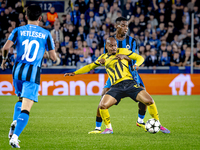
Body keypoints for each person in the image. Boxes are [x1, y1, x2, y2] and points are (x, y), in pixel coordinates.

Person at [64, 37, 169, 134]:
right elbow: (90, 66)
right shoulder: (103, 58)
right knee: (102, 105)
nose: (114, 47)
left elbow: (139, 57)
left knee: (149, 101)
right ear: (106, 46)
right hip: (116, 87)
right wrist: (75, 73)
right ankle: (109, 128)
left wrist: (136, 64)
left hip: (130, 83)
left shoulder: (123, 51)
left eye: (115, 45)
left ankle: (158, 124)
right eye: (111, 46)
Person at [1, 5, 57, 148]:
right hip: (32, 73)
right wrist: (52, 57)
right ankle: (15, 137)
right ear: (40, 18)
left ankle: (14, 122)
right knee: (26, 108)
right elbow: (53, 57)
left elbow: (5, 48)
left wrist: (4, 60)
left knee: (20, 99)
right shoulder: (46, 34)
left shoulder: (18, 30)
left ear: (26, 17)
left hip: (17, 71)